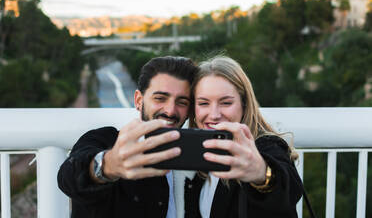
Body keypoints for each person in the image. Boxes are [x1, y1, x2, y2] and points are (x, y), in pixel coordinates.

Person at [57, 56, 199, 217]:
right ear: (139, 100)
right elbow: (68, 177)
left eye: (182, 102)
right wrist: (108, 166)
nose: (170, 110)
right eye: (160, 98)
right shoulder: (105, 140)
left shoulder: (196, 159)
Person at [189, 56, 303, 217]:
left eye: (226, 103)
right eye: (203, 103)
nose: (214, 115)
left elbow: (288, 190)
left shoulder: (266, 147)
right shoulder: (200, 160)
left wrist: (262, 174)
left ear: (244, 104)